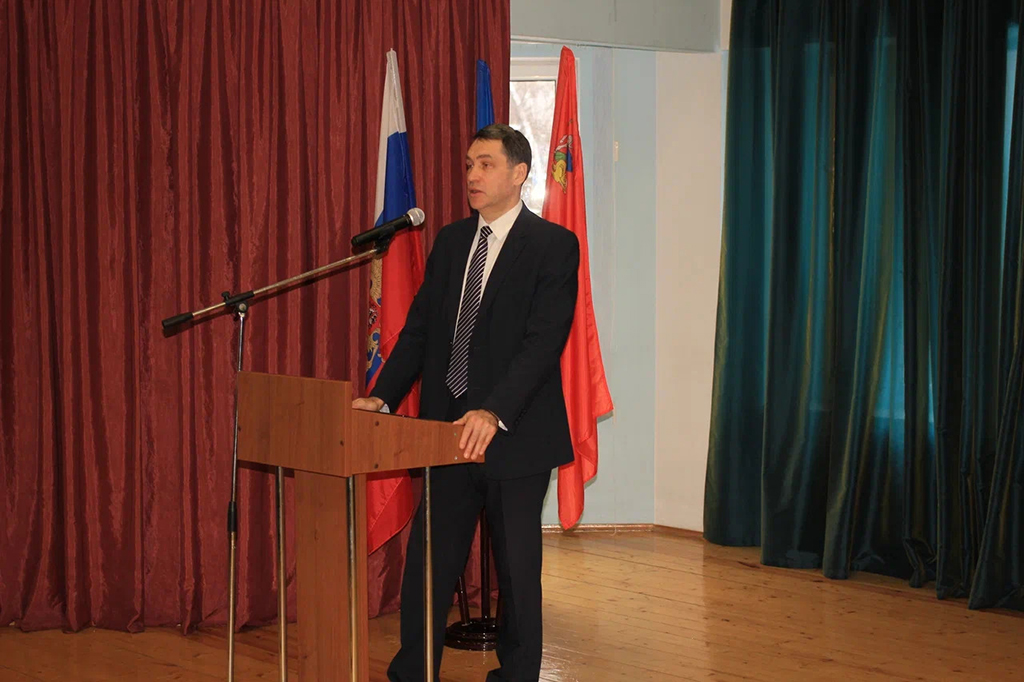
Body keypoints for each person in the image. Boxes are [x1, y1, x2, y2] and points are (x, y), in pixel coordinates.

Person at [352, 123, 580, 682]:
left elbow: (543, 343)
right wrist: (381, 396)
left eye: (486, 164)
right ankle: (413, 673)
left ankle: (517, 675)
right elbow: (420, 332)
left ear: (519, 174)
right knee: (429, 564)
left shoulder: (553, 245)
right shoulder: (453, 241)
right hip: (446, 434)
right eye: (469, 164)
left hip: (516, 435)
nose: (472, 175)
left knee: (517, 572)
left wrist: (494, 410)